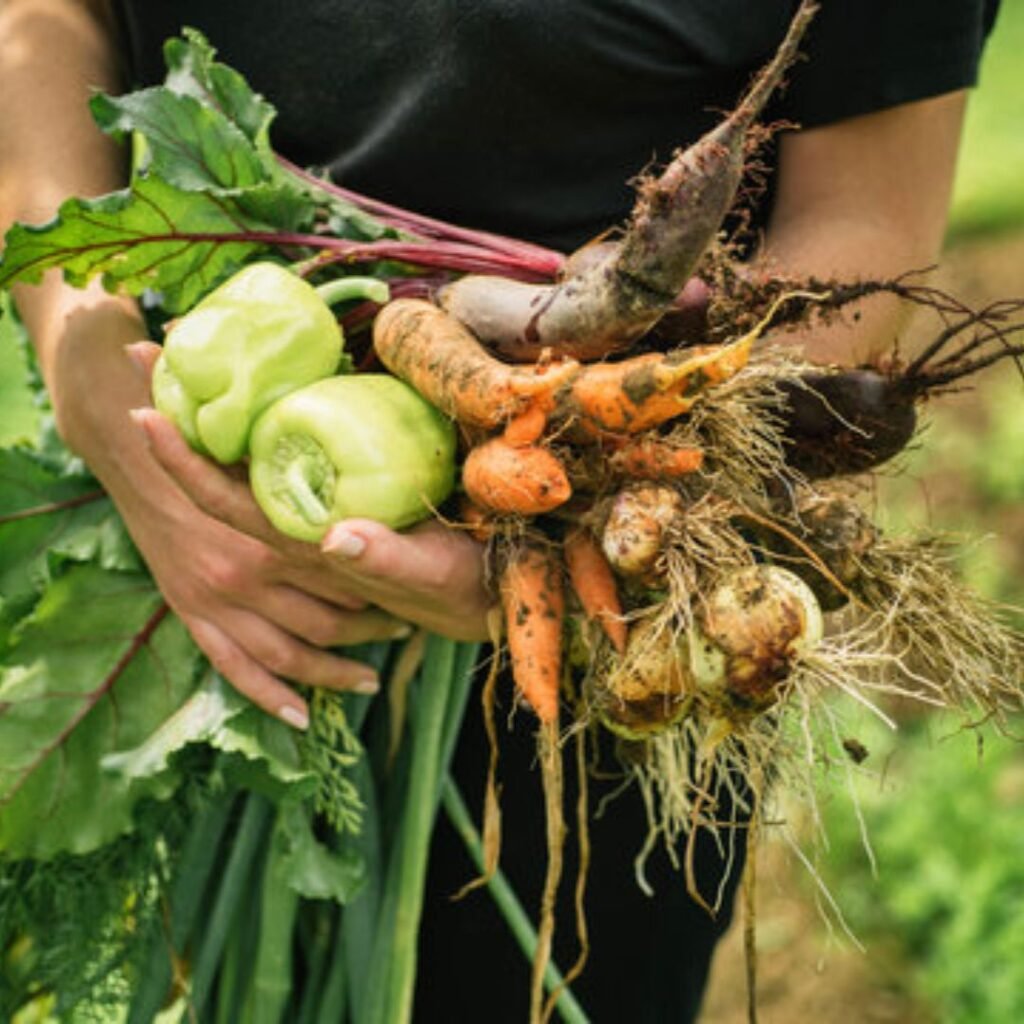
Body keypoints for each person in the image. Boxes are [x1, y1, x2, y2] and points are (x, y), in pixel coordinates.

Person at [0, 0, 999, 1019]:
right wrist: (85, 360)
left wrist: (593, 492)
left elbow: (864, 221)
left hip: (615, 612)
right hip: (183, 517)